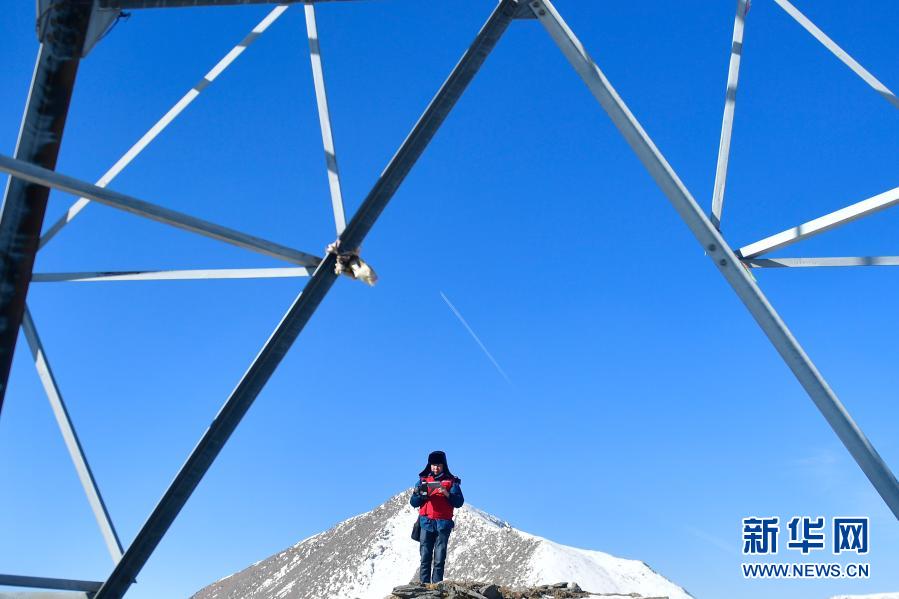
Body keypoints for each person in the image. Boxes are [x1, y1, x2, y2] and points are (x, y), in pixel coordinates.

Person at [410, 450, 464, 584]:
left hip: (443, 524)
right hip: (426, 522)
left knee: (439, 558)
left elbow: (459, 502)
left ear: (443, 465)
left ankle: (437, 586)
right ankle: (424, 585)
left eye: (438, 465)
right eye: (433, 465)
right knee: (425, 557)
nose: (435, 468)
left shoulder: (452, 482)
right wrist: (421, 495)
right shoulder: (422, 481)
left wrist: (447, 493)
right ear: (429, 465)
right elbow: (413, 502)